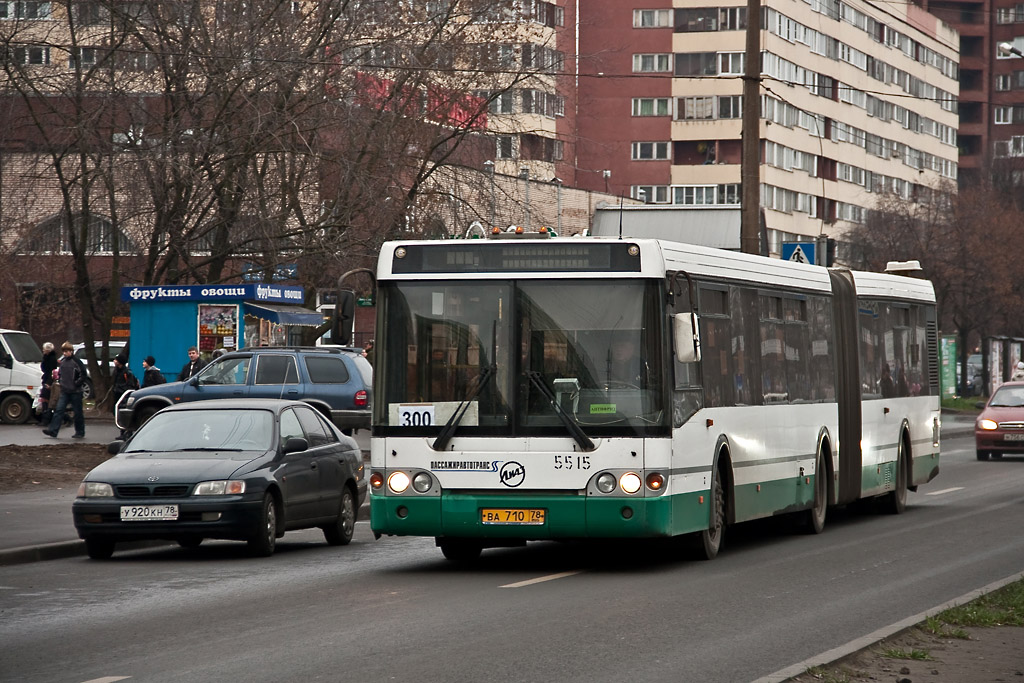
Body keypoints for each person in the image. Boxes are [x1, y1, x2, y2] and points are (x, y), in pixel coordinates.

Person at [42, 341, 87, 438]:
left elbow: (83, 374)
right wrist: (60, 382)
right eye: (63, 351)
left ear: (71, 351)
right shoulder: (63, 363)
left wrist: (76, 383)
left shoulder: (76, 362)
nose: (64, 353)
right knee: (59, 410)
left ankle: (80, 431)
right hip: (65, 391)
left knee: (78, 412)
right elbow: (61, 374)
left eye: (66, 351)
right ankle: (53, 431)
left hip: (76, 391)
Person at [37, 342, 58, 424]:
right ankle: (46, 418)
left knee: (45, 399)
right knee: (46, 399)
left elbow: (51, 371)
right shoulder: (47, 357)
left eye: (44, 349)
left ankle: (46, 419)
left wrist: (48, 383)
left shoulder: (52, 358)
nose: (43, 350)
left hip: (48, 380)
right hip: (46, 379)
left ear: (48, 350)